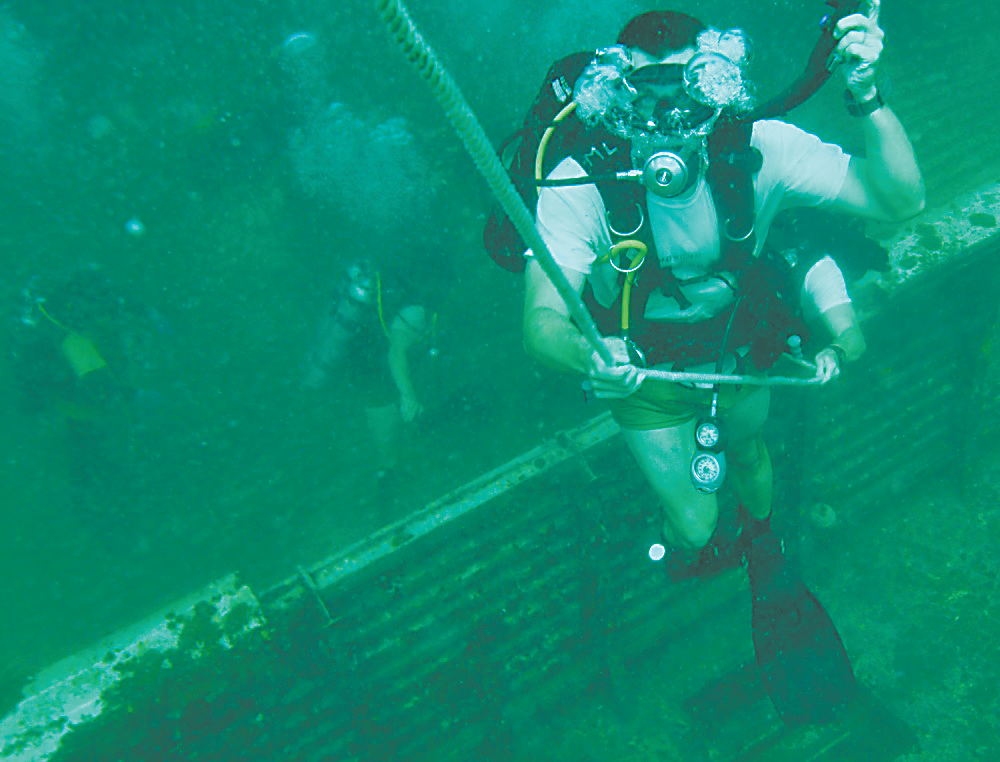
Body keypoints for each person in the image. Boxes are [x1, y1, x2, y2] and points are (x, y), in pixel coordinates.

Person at [522, 5, 924, 570]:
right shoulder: (579, 180)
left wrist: (865, 94)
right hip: (643, 375)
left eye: (683, 91)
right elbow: (540, 326)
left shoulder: (763, 151)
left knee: (749, 452)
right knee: (694, 523)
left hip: (736, 351)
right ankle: (683, 543)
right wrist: (591, 356)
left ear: (714, 86)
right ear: (615, 98)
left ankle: (760, 541)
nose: (664, 116)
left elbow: (901, 201)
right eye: (644, 94)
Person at [303, 262, 434, 496]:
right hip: (369, 363)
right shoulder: (417, 307)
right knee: (382, 415)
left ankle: (388, 471)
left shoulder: (395, 285)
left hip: (363, 357)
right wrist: (408, 395)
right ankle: (389, 475)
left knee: (381, 412)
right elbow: (397, 351)